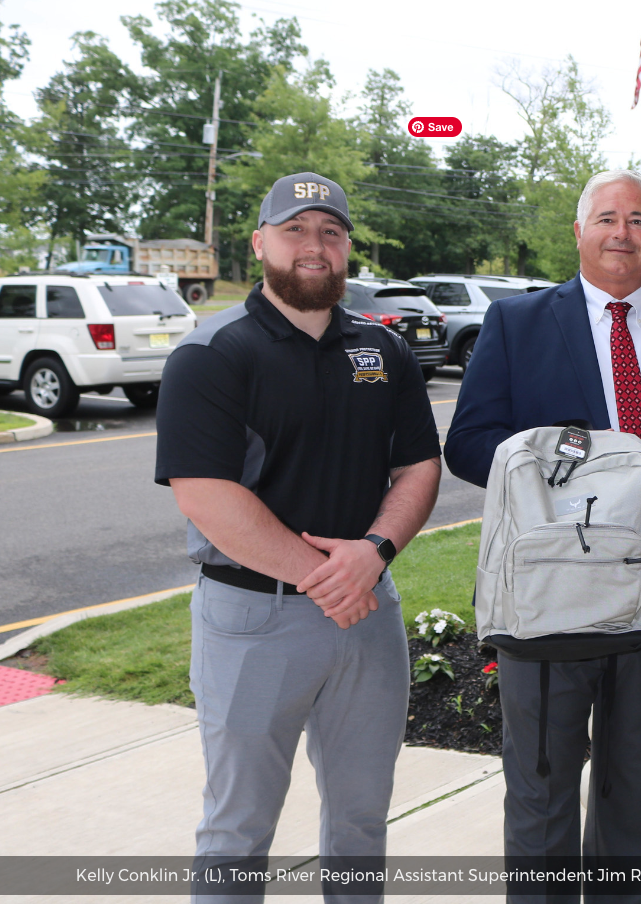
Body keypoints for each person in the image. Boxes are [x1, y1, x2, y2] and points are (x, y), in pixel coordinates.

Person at [445, 168, 641, 903]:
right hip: (550, 602)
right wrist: (553, 476)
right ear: (578, 232)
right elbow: (470, 441)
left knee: (637, 806)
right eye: (606, 217)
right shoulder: (518, 325)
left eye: (638, 219)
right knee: (540, 800)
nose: (622, 232)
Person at [154, 171, 442, 902]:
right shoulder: (214, 354)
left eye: (330, 232)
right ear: (259, 243)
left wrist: (372, 555)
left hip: (367, 614)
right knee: (237, 832)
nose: (314, 246)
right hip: (253, 619)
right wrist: (331, 578)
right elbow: (206, 495)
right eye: (295, 230)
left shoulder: (384, 351)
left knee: (360, 823)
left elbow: (418, 465)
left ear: (346, 246)